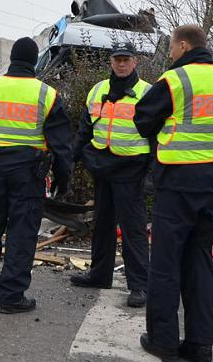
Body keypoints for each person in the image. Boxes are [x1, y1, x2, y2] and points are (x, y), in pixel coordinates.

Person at [134, 25, 213, 362]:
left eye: (170, 48)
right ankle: (200, 345)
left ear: (183, 45)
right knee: (200, 262)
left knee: (165, 264)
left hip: (178, 185)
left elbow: (142, 119)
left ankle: (163, 341)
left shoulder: (177, 80)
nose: (169, 54)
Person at [0, 37, 73, 314]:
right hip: (27, 173)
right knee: (21, 233)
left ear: (12, 58)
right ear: (34, 61)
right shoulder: (47, 95)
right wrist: (62, 178)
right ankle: (12, 297)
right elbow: (62, 146)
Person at [70, 43, 152, 308]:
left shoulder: (146, 92)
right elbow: (85, 128)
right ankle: (99, 274)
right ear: (110, 62)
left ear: (135, 62)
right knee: (103, 224)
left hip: (131, 168)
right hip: (103, 165)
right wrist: (69, 158)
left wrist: (153, 171)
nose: (121, 64)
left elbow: (157, 134)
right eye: (117, 59)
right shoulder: (98, 90)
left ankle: (139, 285)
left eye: (126, 59)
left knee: (132, 229)